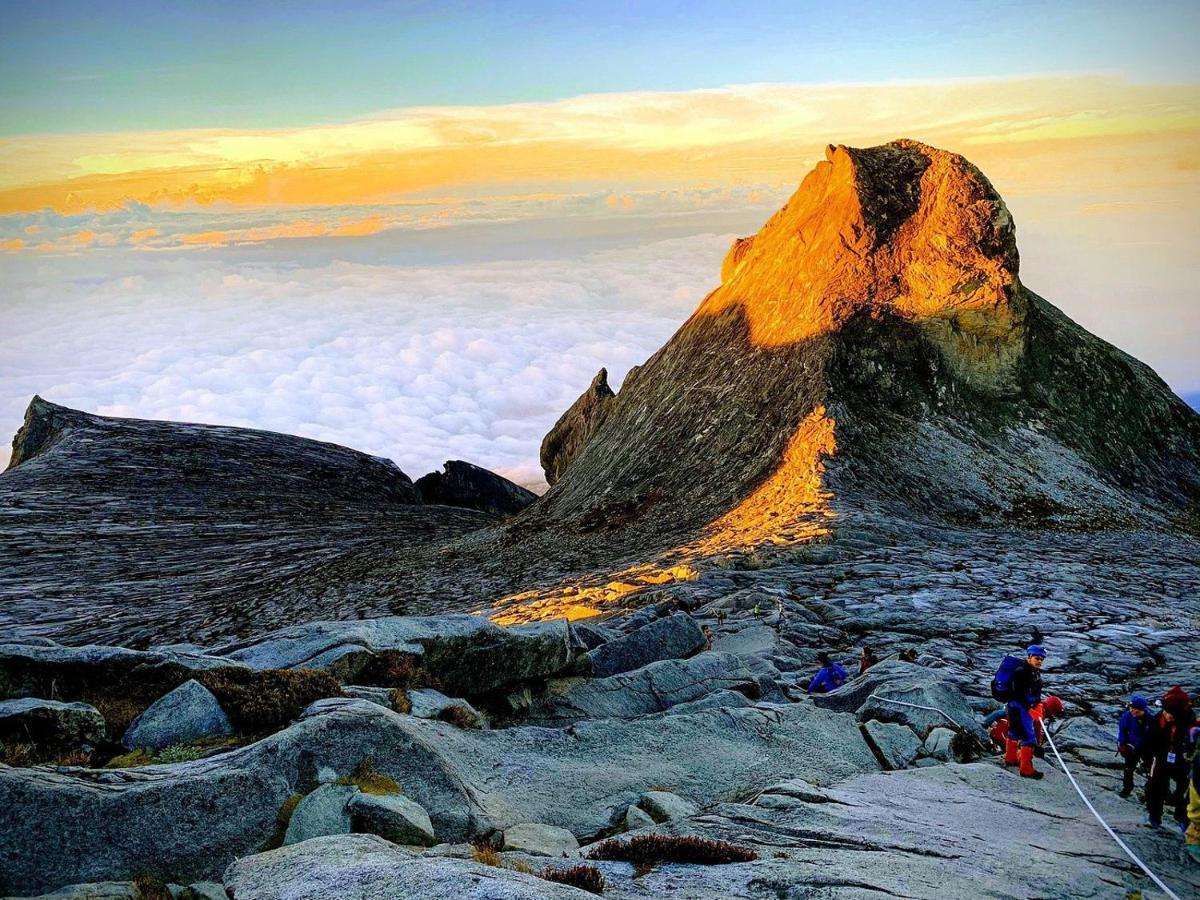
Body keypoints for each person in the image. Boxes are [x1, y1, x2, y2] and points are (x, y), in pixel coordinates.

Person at [1142, 685, 1195, 829]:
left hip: (1182, 760)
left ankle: (1182, 818)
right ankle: (1154, 816)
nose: (1166, 714)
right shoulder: (1157, 719)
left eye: (1170, 712)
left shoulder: (1190, 722)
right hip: (1161, 757)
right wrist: (1147, 760)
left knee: (1185, 791)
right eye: (1165, 711)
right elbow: (1148, 741)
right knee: (1155, 787)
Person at [1002, 645, 1046, 779]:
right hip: (1020, 708)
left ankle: (1010, 759)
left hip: (1014, 707)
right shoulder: (1022, 672)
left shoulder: (1032, 672)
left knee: (1013, 732)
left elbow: (1035, 692)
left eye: (1041, 659)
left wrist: (1037, 704)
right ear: (1029, 657)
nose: (1039, 661)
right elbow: (1019, 692)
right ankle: (1026, 769)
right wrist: (1031, 708)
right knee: (1029, 737)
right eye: (1037, 658)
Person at [1117, 695, 1151, 799]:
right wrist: (1122, 743)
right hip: (1130, 747)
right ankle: (1127, 789)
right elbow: (1122, 730)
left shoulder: (1150, 719)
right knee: (1128, 769)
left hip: (1146, 748)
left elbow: (1152, 735)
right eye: (1131, 708)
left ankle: (1149, 792)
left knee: (1150, 771)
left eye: (1135, 709)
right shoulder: (1128, 716)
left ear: (1141, 709)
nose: (1132, 710)